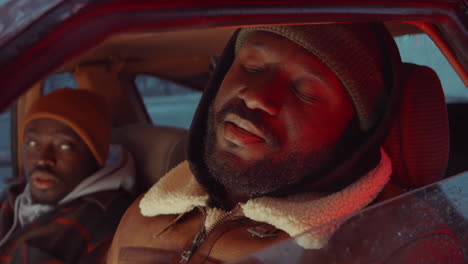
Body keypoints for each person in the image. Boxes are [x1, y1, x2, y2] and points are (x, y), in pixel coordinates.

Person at [107, 23, 463, 263]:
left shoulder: (401, 246)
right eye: (252, 67)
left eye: (305, 90)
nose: (258, 97)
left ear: (352, 136)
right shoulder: (148, 211)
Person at [0, 88, 135, 263]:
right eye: (33, 143)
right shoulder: (14, 193)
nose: (43, 159)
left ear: (96, 156)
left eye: (64, 146)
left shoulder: (106, 224)